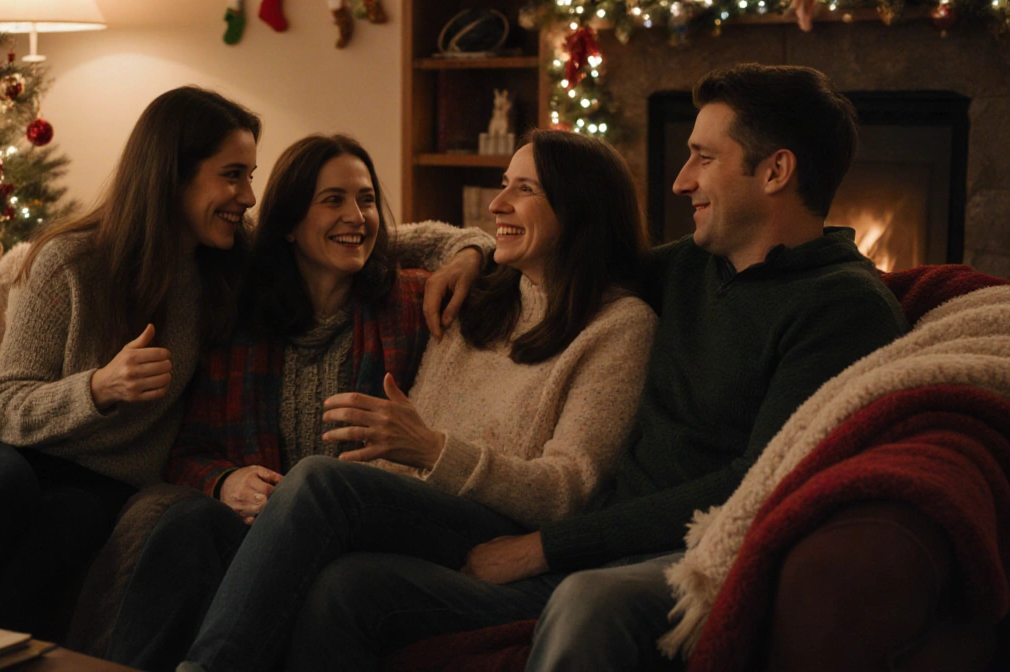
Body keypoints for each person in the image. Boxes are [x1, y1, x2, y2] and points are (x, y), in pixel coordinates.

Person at [286, 63, 908, 672]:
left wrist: (546, 547)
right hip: (599, 544)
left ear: (776, 170)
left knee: (589, 602)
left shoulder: (843, 307)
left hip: (685, 559)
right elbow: (571, 251)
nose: (681, 181)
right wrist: (474, 252)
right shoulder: (693, 267)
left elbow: (755, 481)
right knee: (347, 587)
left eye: (704, 157)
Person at [175, 129, 659, 672]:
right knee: (338, 585)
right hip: (421, 517)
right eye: (503, 185)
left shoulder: (619, 326)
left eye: (524, 189)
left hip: (504, 529)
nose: (497, 204)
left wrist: (432, 450)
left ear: (582, 208)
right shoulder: (472, 303)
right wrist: (473, 250)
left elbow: (571, 490)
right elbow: (371, 241)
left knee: (319, 481)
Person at [0, 86, 262, 635]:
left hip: (97, 479)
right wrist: (99, 388)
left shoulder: (222, 271)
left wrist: (440, 263)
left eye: (252, 175)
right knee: (2, 489)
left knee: (74, 522)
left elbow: (343, 242)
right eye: (233, 174)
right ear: (174, 174)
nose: (248, 195)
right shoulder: (72, 262)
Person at [102, 134, 485, 669]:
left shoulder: (413, 302)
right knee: (174, 520)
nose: (356, 216)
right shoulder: (239, 319)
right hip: (261, 539)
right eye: (332, 200)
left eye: (367, 199)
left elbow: (477, 249)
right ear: (287, 222)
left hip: (374, 532)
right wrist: (224, 481)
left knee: (315, 491)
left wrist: (473, 252)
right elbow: (186, 448)